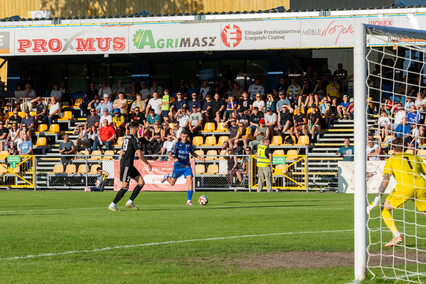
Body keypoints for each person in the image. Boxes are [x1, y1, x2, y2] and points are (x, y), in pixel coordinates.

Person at [367, 137, 426, 247]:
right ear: (405, 147)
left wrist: (376, 200)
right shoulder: (415, 157)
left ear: (393, 148)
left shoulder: (391, 160)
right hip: (421, 185)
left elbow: (385, 180)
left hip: (405, 187)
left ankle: (397, 235)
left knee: (384, 208)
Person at [109, 121, 152, 211]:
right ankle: (113, 204)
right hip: (127, 164)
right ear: (136, 128)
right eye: (138, 128)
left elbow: (121, 152)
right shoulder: (134, 139)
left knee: (141, 182)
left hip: (128, 164)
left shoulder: (125, 138)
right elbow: (139, 154)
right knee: (125, 186)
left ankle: (130, 201)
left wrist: (120, 163)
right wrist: (147, 163)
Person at [161, 130, 205, 205]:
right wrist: (173, 159)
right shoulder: (177, 144)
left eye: (186, 137)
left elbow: (192, 153)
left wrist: (200, 158)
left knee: (190, 181)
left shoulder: (189, 145)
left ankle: (189, 201)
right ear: (181, 136)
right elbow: (169, 154)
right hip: (178, 166)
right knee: (172, 183)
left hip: (186, 166)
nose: (184, 138)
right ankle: (167, 176)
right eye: (183, 137)